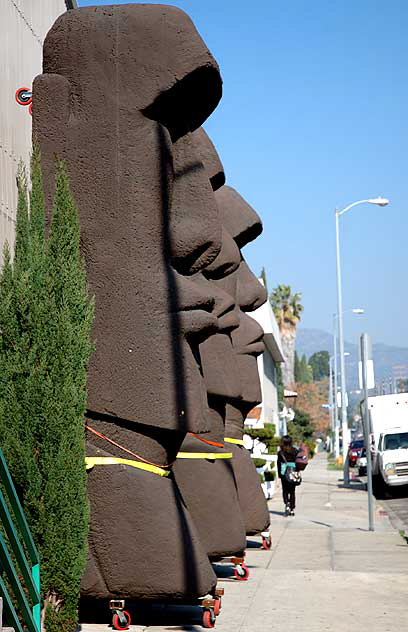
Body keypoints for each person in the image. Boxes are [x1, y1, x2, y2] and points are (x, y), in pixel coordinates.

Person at [277, 435, 299, 516]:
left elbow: (278, 463)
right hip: (293, 472)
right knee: (292, 491)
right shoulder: (295, 451)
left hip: (284, 472)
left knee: (285, 490)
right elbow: (298, 462)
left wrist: (280, 474)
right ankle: (292, 509)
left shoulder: (280, 452)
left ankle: (287, 505)